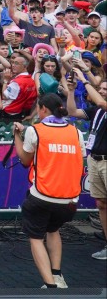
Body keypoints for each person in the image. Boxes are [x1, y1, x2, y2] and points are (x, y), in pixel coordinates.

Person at [14, 94, 85, 289]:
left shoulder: (36, 130)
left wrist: (17, 136)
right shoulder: (75, 132)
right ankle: (57, 276)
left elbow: (25, 160)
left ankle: (50, 285)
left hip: (42, 195)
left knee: (36, 237)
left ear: (43, 109)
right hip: (69, 198)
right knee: (53, 230)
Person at [61, 69, 107, 260]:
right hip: (95, 159)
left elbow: (102, 102)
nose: (102, 91)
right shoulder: (96, 110)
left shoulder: (101, 105)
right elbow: (72, 111)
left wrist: (83, 78)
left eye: (106, 88)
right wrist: (71, 90)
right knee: (102, 204)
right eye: (101, 88)